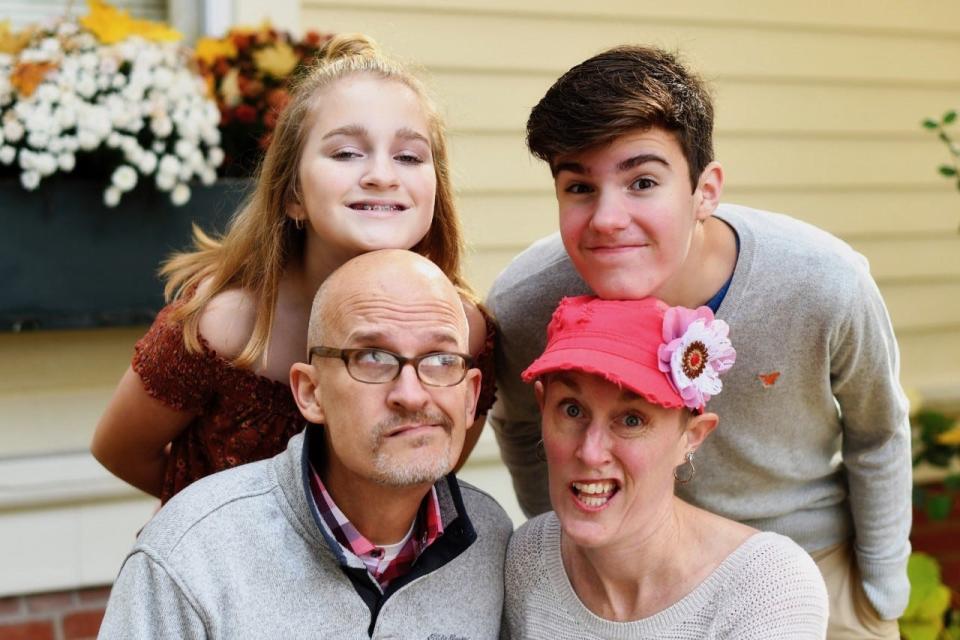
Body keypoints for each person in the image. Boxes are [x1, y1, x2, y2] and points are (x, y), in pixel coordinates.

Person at [487, 45, 910, 638]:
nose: (607, 218)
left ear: (705, 190)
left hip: (812, 562)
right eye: (579, 187)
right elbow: (522, 426)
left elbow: (878, 432)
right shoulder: (529, 304)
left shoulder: (823, 284)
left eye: (642, 182)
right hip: (632, 578)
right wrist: (577, 533)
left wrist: (881, 593)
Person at [91, 33, 496, 504]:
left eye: (408, 156)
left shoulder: (463, 333)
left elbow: (429, 473)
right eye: (346, 153)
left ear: (435, 192)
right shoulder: (224, 327)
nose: (382, 175)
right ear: (293, 195)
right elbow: (121, 449)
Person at [98, 249, 513, 639]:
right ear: (311, 393)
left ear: (471, 395)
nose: (412, 394)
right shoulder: (190, 556)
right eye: (372, 358)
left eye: (442, 360)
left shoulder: (492, 544)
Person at [502, 295, 828, 638]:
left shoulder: (766, 587)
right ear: (542, 408)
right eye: (571, 410)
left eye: (631, 419)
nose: (590, 451)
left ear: (692, 437)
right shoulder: (528, 559)